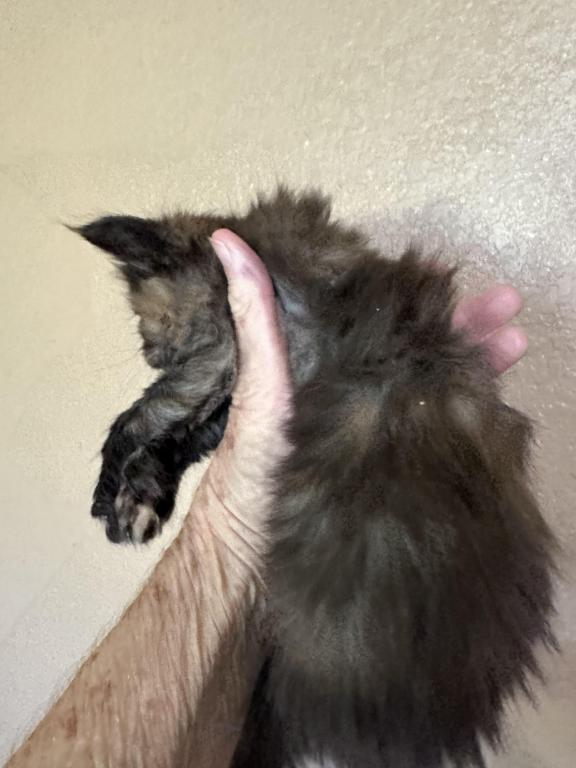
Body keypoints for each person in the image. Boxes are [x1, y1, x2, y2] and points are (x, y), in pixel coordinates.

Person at [7, 231, 528, 768]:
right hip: (397, 654)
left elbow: (202, 382)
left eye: (152, 322)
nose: (150, 350)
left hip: (374, 655)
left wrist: (130, 442)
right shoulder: (329, 319)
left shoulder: (266, 288)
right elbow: (231, 411)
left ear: (180, 264)